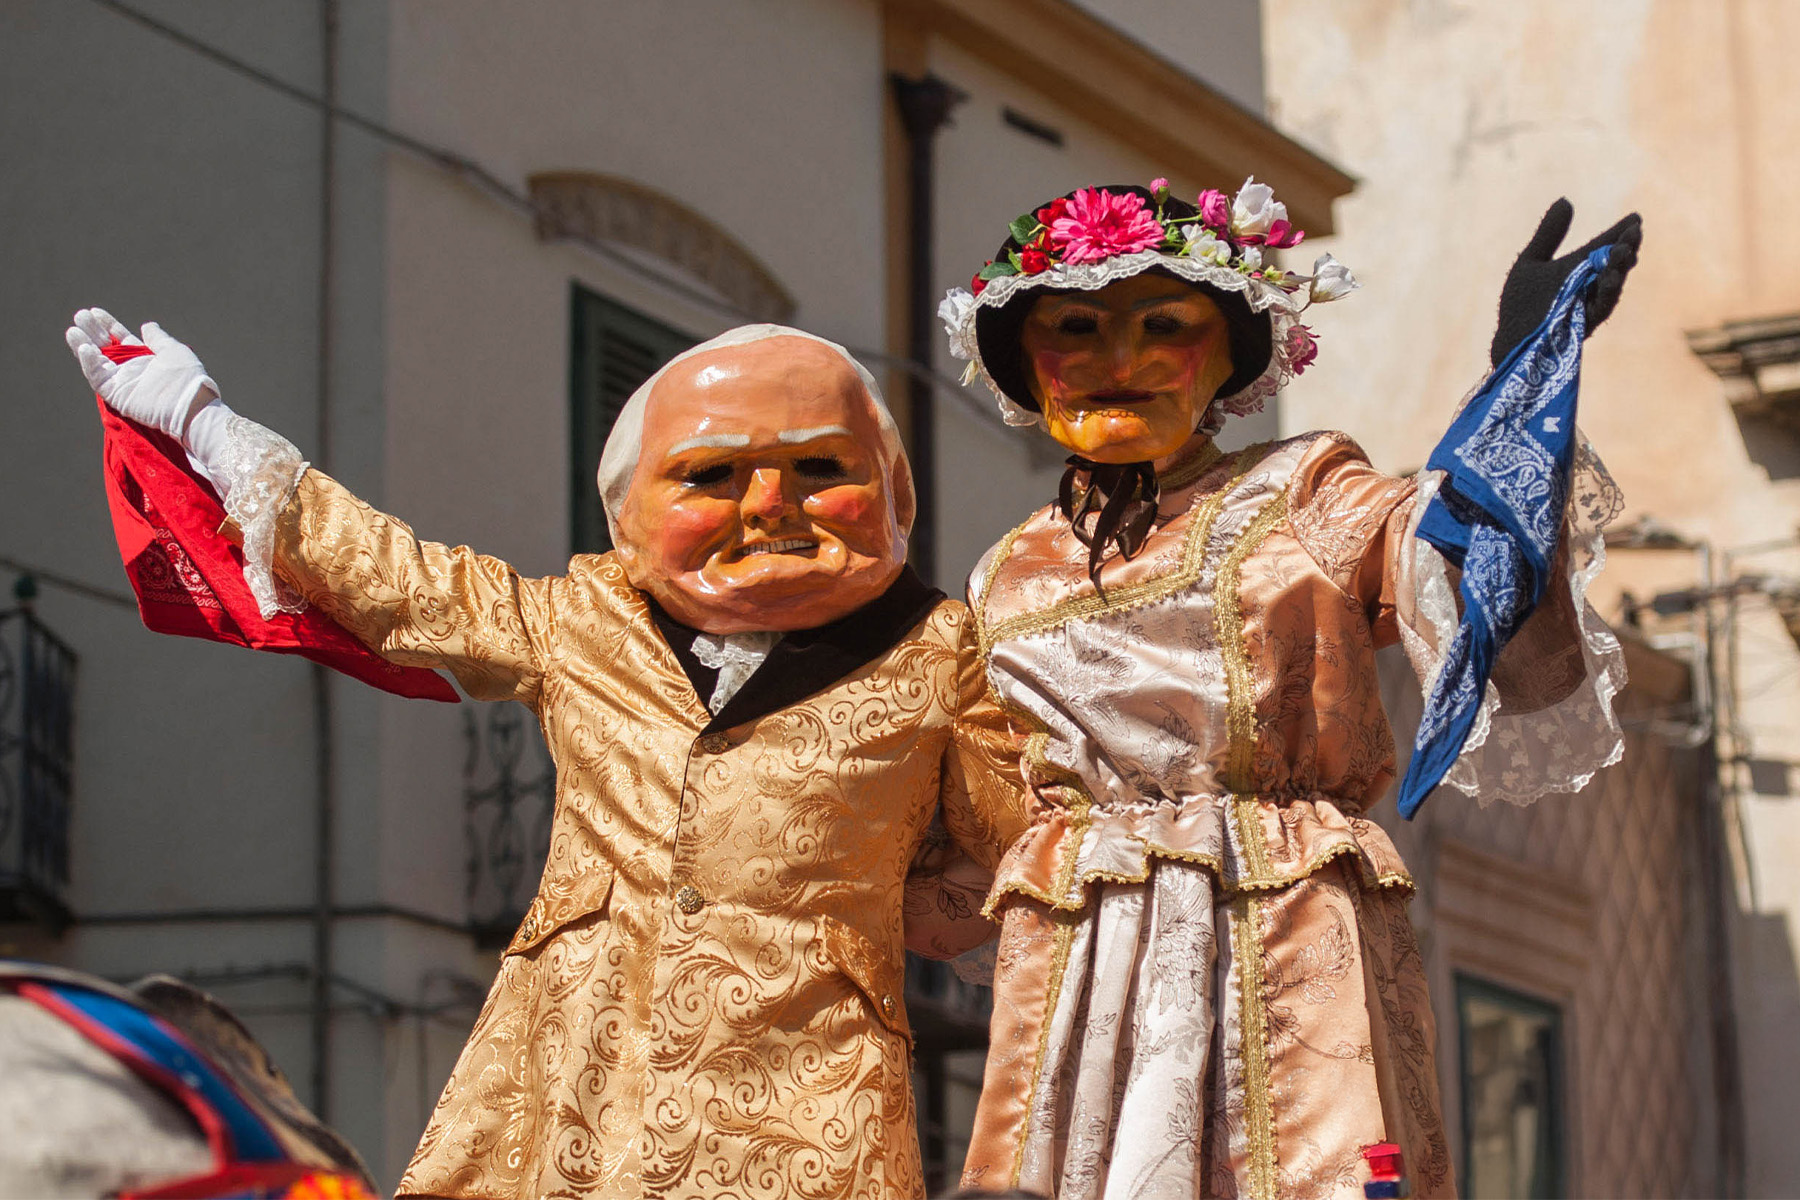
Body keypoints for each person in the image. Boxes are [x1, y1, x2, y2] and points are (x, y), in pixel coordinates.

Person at [64, 315, 1029, 1199]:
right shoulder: (583, 617)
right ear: (629, 508)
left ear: (893, 486)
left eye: (819, 467)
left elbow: (1029, 865)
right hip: (567, 1076)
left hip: (810, 1102)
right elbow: (398, 580)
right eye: (711, 475)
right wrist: (204, 421)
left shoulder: (946, 653)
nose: (769, 505)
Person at [936, 181, 1640, 1198]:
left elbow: (1463, 559)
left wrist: (1522, 382)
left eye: (1163, 326)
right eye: (1075, 328)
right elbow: (968, 807)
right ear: (1021, 360)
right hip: (1081, 959)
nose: (1117, 362)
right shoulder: (1005, 572)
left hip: (1276, 919)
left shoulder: (1306, 490)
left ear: (1227, 357)